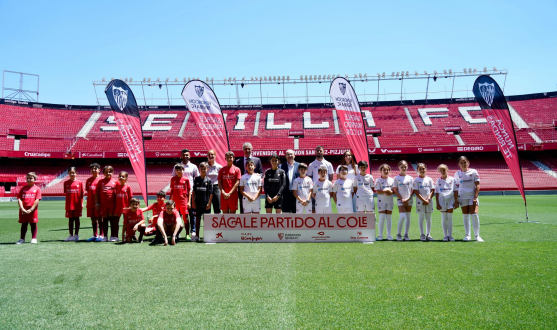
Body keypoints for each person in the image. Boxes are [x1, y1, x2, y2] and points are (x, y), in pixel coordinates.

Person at [454, 156, 483, 242]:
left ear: (468, 162)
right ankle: (467, 235)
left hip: (472, 197)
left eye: (464, 162)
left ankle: (477, 236)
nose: (463, 164)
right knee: (465, 216)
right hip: (462, 197)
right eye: (461, 163)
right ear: (459, 164)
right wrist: (456, 201)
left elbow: (478, 185)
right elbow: (456, 188)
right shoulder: (457, 174)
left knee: (474, 215)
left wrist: (475, 197)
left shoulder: (473, 172)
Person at [172, 149, 199, 238]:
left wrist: (194, 192)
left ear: (189, 156)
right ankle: (178, 231)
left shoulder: (193, 166)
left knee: (191, 213)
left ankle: (193, 231)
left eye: (187, 155)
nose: (185, 156)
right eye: (183, 155)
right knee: (178, 214)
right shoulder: (176, 166)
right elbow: (174, 178)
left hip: (189, 193)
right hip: (178, 195)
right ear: (181, 156)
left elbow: (197, 179)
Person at [234, 142, 263, 213]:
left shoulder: (257, 160)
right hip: (243, 187)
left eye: (249, 149)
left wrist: (258, 177)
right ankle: (243, 222)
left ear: (251, 150)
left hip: (254, 187)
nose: (247, 150)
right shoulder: (238, 161)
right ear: (243, 150)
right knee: (243, 207)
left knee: (255, 208)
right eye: (245, 149)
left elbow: (261, 172)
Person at [16, 172, 42, 244]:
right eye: (28, 178)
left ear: (35, 179)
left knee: (33, 223)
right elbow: (19, 199)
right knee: (24, 224)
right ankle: (22, 239)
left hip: (32, 210)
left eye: (31, 178)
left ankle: (33, 238)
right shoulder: (23, 188)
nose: (29, 179)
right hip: (23, 210)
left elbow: (37, 200)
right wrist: (22, 209)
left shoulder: (37, 189)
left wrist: (31, 209)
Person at [95, 165, 118, 242]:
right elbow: (97, 193)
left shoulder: (115, 182)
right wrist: (96, 203)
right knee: (104, 220)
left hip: (112, 204)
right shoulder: (100, 182)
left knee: (112, 220)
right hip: (103, 204)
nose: (108, 173)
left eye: (110, 171)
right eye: (106, 172)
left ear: (113, 172)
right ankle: (105, 236)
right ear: (103, 173)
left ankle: (112, 236)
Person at [308, 146, 334, 213]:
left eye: (320, 151)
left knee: (327, 210)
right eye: (317, 151)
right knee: (314, 210)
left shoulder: (328, 164)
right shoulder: (311, 164)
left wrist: (326, 185)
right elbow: (309, 177)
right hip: (315, 190)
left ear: (323, 152)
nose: (319, 152)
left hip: (325, 190)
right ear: (315, 152)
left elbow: (331, 177)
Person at [413, 163, 435, 241]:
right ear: (417, 170)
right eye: (420, 169)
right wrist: (423, 200)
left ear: (426, 169)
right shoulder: (416, 180)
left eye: (423, 168)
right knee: (421, 217)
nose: (422, 170)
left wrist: (428, 199)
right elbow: (416, 191)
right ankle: (422, 234)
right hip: (420, 202)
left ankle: (428, 234)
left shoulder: (429, 179)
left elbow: (432, 190)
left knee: (428, 218)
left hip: (429, 201)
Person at [192, 162, 213, 242]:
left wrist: (209, 203)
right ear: (199, 169)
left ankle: (206, 235)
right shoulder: (196, 179)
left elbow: (211, 193)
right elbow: (194, 191)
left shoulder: (209, 180)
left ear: (207, 169)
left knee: (206, 220)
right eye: (201, 169)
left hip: (206, 203)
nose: (203, 170)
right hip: (198, 203)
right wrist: (193, 202)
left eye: (204, 169)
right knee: (197, 220)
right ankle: (197, 235)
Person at [393, 160, 414, 241]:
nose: (403, 168)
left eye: (405, 167)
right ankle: (398, 234)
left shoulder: (410, 178)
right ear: (399, 167)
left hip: (409, 200)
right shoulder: (396, 178)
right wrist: (402, 199)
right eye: (402, 167)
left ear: (407, 167)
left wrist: (408, 198)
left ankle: (406, 235)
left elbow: (413, 190)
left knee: (408, 217)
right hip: (400, 200)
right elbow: (395, 190)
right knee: (402, 216)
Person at [170, 163, 191, 241]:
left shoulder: (186, 179)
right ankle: (177, 234)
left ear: (183, 170)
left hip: (183, 201)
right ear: (176, 171)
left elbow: (189, 191)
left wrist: (189, 202)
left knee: (185, 218)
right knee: (175, 218)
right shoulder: (173, 179)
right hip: (175, 202)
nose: (179, 171)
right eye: (177, 170)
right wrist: (170, 200)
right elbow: (172, 191)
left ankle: (187, 234)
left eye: (181, 170)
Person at [435, 164, 456, 242]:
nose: (443, 171)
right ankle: (445, 235)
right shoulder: (438, 180)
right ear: (439, 171)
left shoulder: (452, 179)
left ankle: (450, 236)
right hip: (442, 200)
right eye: (441, 170)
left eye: (444, 170)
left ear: (447, 170)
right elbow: (436, 192)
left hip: (450, 200)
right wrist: (437, 203)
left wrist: (456, 201)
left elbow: (455, 190)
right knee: (444, 218)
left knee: (450, 218)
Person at [64, 167, 84, 242]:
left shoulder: (80, 182)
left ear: (76, 173)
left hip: (77, 204)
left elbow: (82, 194)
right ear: (68, 173)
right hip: (69, 204)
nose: (72, 174)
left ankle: (76, 235)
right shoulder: (66, 183)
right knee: (70, 219)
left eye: (73, 173)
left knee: (76, 219)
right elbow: (66, 193)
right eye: (70, 173)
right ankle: (70, 235)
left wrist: (82, 203)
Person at [375, 164, 394, 241]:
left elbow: (394, 190)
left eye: (387, 170)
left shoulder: (392, 180)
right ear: (381, 171)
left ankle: (389, 235)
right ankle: (380, 235)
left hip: (389, 200)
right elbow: (377, 191)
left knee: (389, 218)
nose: (386, 171)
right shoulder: (378, 180)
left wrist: (390, 192)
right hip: (381, 201)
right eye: (384, 170)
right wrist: (385, 191)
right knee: (382, 218)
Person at [114, 171, 133, 242]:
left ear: (126, 178)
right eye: (120, 176)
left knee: (126, 223)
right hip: (118, 207)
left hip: (126, 208)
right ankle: (116, 236)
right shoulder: (117, 186)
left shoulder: (128, 187)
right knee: (115, 222)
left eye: (123, 176)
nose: (121, 177)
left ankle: (129, 235)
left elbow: (131, 198)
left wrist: (129, 207)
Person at [85, 163, 102, 242]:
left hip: (99, 203)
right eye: (92, 169)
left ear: (99, 170)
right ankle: (95, 235)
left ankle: (101, 235)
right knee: (93, 219)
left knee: (100, 218)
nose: (94, 170)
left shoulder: (101, 180)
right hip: (90, 202)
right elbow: (88, 191)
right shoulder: (88, 180)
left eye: (95, 168)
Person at [206, 149, 223, 214]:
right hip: (207, 188)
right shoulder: (204, 166)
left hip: (216, 188)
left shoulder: (219, 167)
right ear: (207, 156)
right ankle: (207, 224)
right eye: (209, 154)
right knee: (207, 208)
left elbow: (221, 179)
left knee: (217, 208)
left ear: (215, 156)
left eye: (212, 154)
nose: (210, 156)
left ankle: (218, 223)